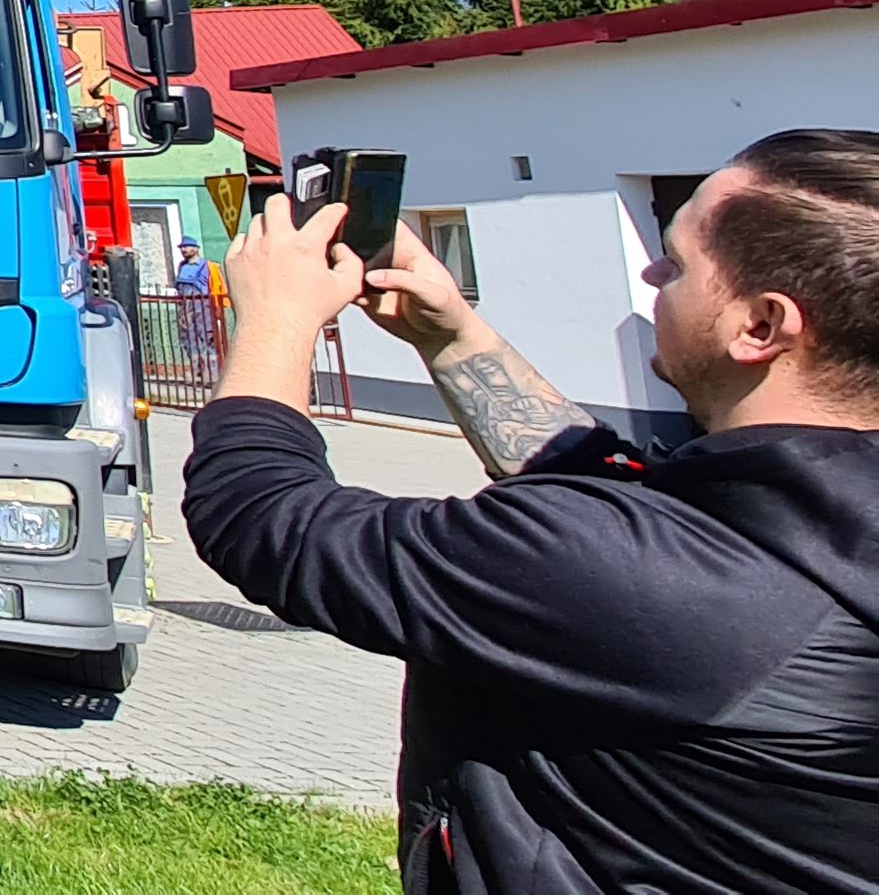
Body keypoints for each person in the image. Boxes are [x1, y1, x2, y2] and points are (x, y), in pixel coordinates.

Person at [181, 129, 879, 893]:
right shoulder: (813, 520)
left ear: (762, 326)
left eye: (676, 262)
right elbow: (629, 492)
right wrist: (451, 338)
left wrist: (276, 320)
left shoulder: (674, 580)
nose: (650, 270)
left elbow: (261, 518)